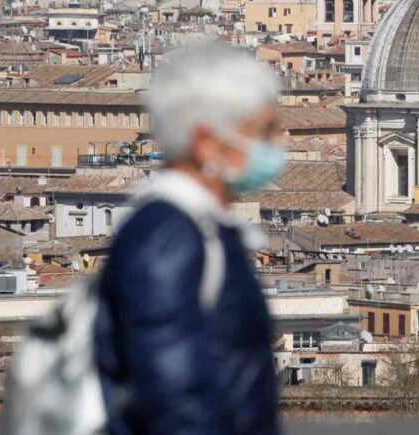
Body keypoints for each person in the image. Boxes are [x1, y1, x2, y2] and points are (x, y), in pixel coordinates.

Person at [95, 43, 284, 435]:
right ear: (206, 143)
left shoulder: (194, 229)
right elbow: (172, 398)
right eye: (264, 130)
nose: (280, 141)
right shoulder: (168, 238)